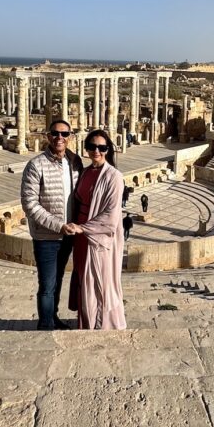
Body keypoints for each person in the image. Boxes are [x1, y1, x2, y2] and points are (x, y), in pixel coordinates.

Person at [20, 119, 84, 330]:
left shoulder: (75, 162)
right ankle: (45, 325)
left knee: (58, 280)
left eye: (64, 134)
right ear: (48, 136)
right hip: (46, 236)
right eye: (55, 133)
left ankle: (53, 317)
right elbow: (30, 204)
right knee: (47, 284)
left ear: (70, 137)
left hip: (68, 235)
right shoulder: (36, 165)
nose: (59, 138)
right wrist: (59, 225)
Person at [65, 129, 128, 330]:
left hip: (98, 238)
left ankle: (101, 325)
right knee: (84, 279)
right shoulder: (85, 172)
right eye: (92, 147)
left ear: (108, 149)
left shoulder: (114, 176)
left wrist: (82, 228)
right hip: (80, 236)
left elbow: (112, 215)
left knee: (99, 282)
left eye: (102, 147)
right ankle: (85, 322)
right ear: (86, 148)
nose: (96, 151)